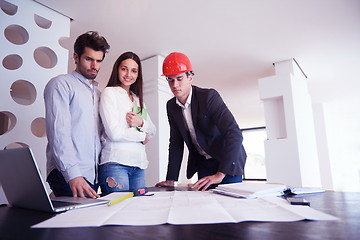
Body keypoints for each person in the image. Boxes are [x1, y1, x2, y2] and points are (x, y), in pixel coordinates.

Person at [156, 52, 247, 191]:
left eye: (179, 78)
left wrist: (220, 174)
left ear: (190, 77)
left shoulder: (209, 97)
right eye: (170, 80)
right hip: (204, 163)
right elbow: (176, 143)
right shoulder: (171, 106)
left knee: (230, 205)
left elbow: (234, 133)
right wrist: (171, 179)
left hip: (227, 160)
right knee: (206, 205)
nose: (175, 85)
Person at [44, 31, 110, 198]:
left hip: (93, 177)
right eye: (89, 59)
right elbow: (58, 132)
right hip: (68, 174)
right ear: (76, 57)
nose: (94, 65)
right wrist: (73, 175)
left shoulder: (99, 93)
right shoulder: (61, 84)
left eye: (99, 60)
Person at [98, 52, 156, 195]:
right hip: (116, 163)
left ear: (138, 74)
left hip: (138, 165)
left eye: (134, 71)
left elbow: (153, 130)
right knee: (119, 214)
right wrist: (143, 137)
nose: (128, 74)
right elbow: (114, 133)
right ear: (117, 69)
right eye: (124, 69)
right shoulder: (109, 93)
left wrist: (141, 122)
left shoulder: (137, 100)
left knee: (138, 213)